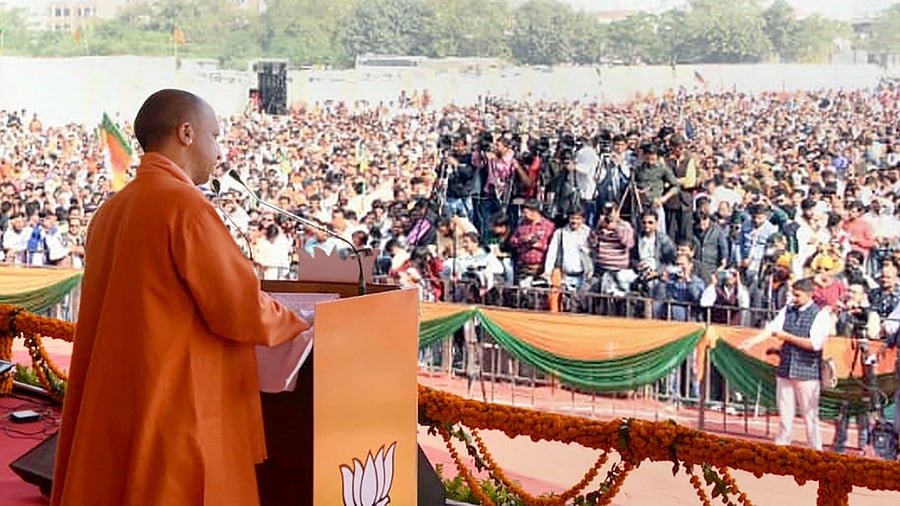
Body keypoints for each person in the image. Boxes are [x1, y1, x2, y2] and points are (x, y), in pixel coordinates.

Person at [51, 89, 311, 506]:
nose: (218, 150)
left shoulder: (112, 210)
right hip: (177, 404)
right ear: (186, 133)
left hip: (121, 397)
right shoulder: (184, 206)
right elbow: (238, 309)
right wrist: (300, 322)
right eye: (215, 136)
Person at [761, 277, 832, 451]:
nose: (793, 297)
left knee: (810, 416)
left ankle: (816, 450)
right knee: (785, 414)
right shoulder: (788, 310)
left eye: (797, 295)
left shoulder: (820, 315)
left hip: (807, 371)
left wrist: (786, 337)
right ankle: (781, 447)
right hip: (786, 369)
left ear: (809, 295)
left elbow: (815, 344)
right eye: (793, 294)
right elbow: (773, 328)